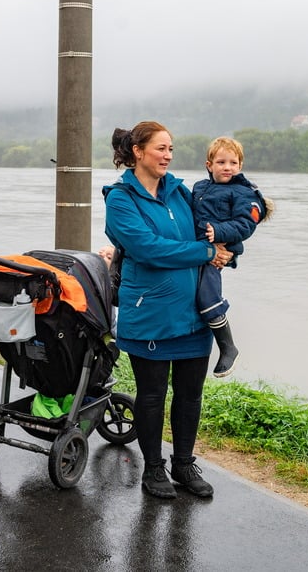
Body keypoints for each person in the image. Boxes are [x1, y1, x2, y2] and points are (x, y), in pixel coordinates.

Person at [102, 121, 232, 500]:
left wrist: (226, 246)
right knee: (153, 394)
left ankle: (183, 464)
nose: (168, 155)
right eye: (161, 148)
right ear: (138, 152)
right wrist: (206, 252)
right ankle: (154, 468)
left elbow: (208, 230)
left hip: (194, 315)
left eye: (171, 149)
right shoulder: (121, 199)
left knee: (191, 395)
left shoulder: (181, 192)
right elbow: (148, 249)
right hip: (151, 315)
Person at [192, 137, 273, 379]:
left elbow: (246, 224)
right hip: (197, 248)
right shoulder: (198, 187)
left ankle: (228, 347)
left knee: (207, 297)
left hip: (214, 254)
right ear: (209, 165)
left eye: (233, 162)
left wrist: (221, 236)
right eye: (221, 162)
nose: (227, 167)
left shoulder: (242, 192)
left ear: (240, 165)